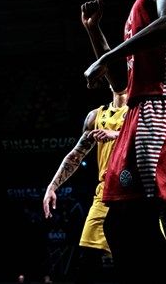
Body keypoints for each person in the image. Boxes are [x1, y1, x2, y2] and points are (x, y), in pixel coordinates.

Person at [81, 0, 166, 283]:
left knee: (141, 216)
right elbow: (119, 81)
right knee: (118, 220)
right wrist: (95, 32)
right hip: (140, 107)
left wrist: (106, 55)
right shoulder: (138, 6)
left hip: (165, 102)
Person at [42, 79, 127, 277]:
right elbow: (75, 155)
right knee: (87, 257)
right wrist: (52, 186)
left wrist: (115, 134)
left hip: (135, 192)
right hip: (105, 192)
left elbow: (151, 137)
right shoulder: (95, 116)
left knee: (150, 258)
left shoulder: (139, 111)